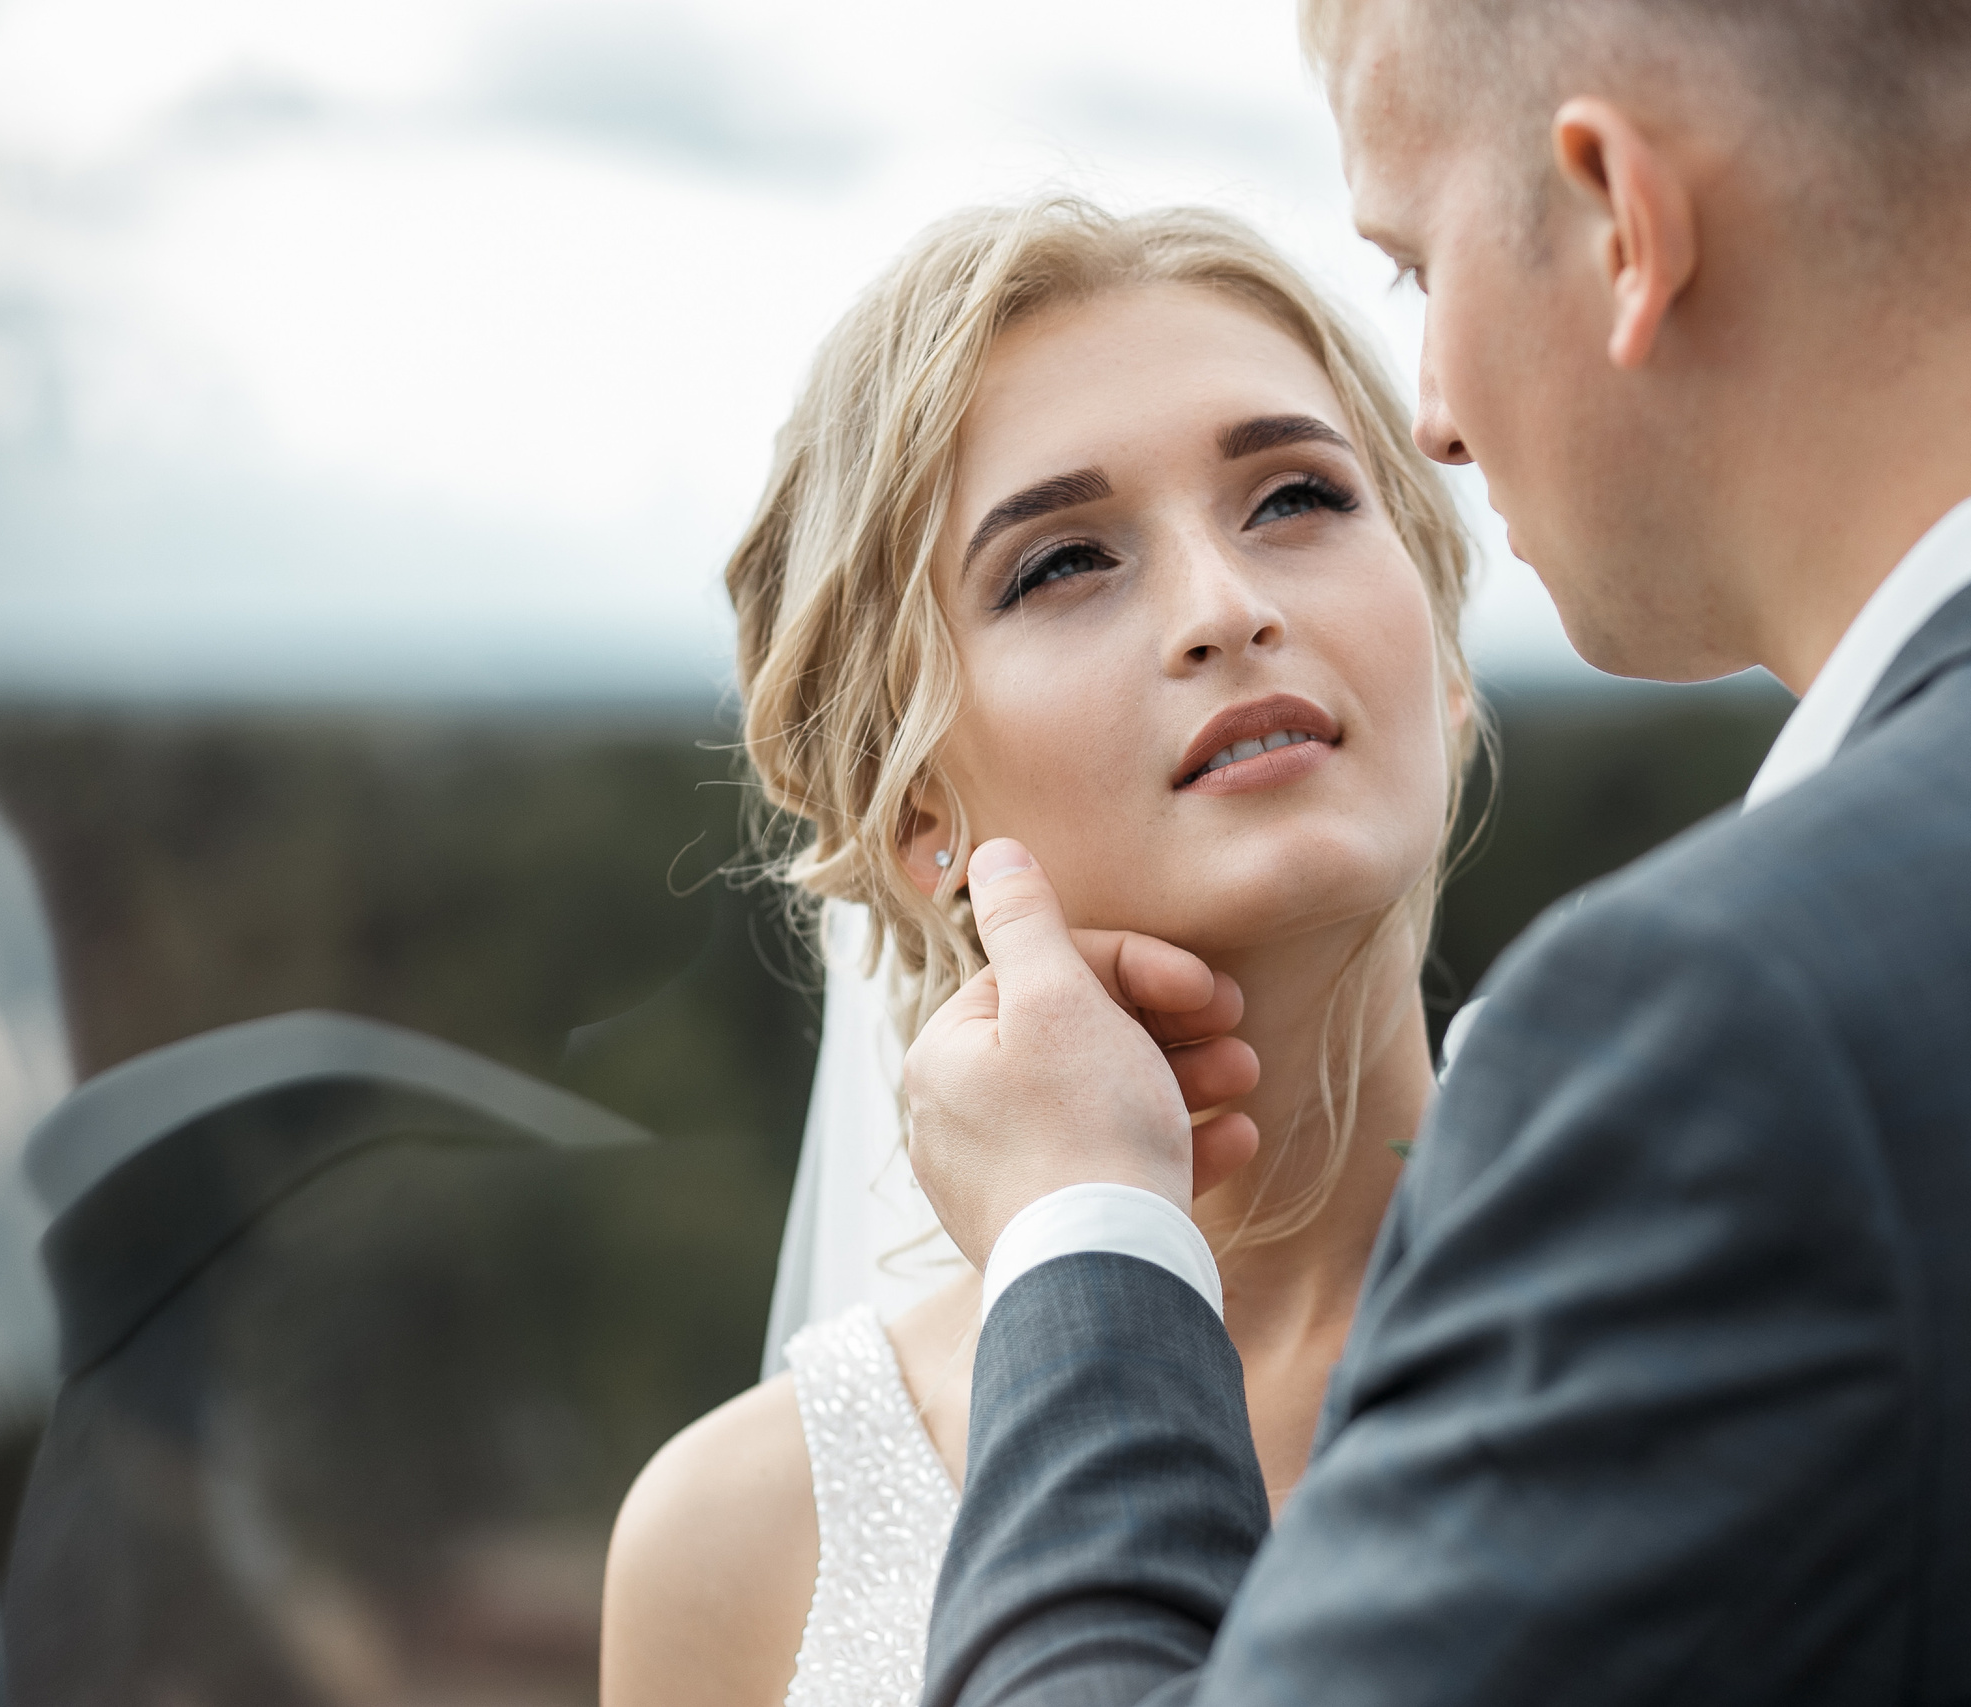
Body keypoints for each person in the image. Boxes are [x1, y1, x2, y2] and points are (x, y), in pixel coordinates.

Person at [906, 2, 1971, 1703]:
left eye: (1417, 270)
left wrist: (1079, 1230)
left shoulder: (1728, 1037)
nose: (1438, 422)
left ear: (1621, 218)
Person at [597, 199, 1485, 1707]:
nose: (1227, 608)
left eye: (1297, 500)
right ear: (915, 807)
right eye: (1063, 562)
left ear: (1446, 658)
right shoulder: (735, 1536)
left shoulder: (1708, 1282)